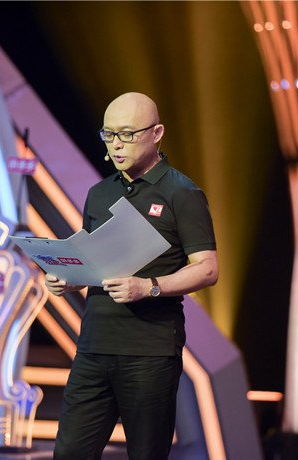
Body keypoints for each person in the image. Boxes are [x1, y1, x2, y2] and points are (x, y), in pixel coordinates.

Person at [46, 92, 218, 460]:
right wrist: (69, 276)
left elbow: (207, 268)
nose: (116, 144)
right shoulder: (100, 193)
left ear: (157, 133)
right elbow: (94, 261)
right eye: (108, 135)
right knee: (70, 452)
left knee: (146, 454)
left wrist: (149, 287)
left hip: (149, 352)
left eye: (127, 134)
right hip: (94, 346)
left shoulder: (181, 193)